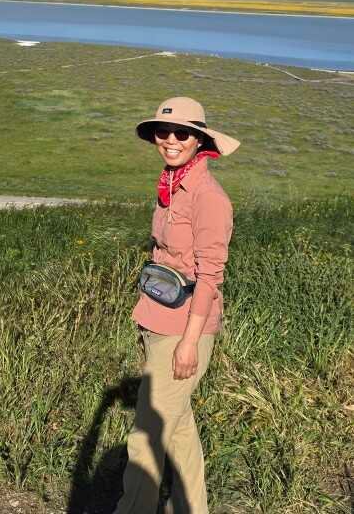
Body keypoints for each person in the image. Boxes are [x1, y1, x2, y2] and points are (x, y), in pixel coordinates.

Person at [113, 96, 240, 514]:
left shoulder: (208, 197)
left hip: (184, 330)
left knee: (147, 434)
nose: (170, 140)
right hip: (157, 320)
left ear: (199, 140)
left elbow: (210, 276)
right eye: (162, 132)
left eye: (182, 133)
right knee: (179, 428)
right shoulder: (170, 185)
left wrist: (188, 343)